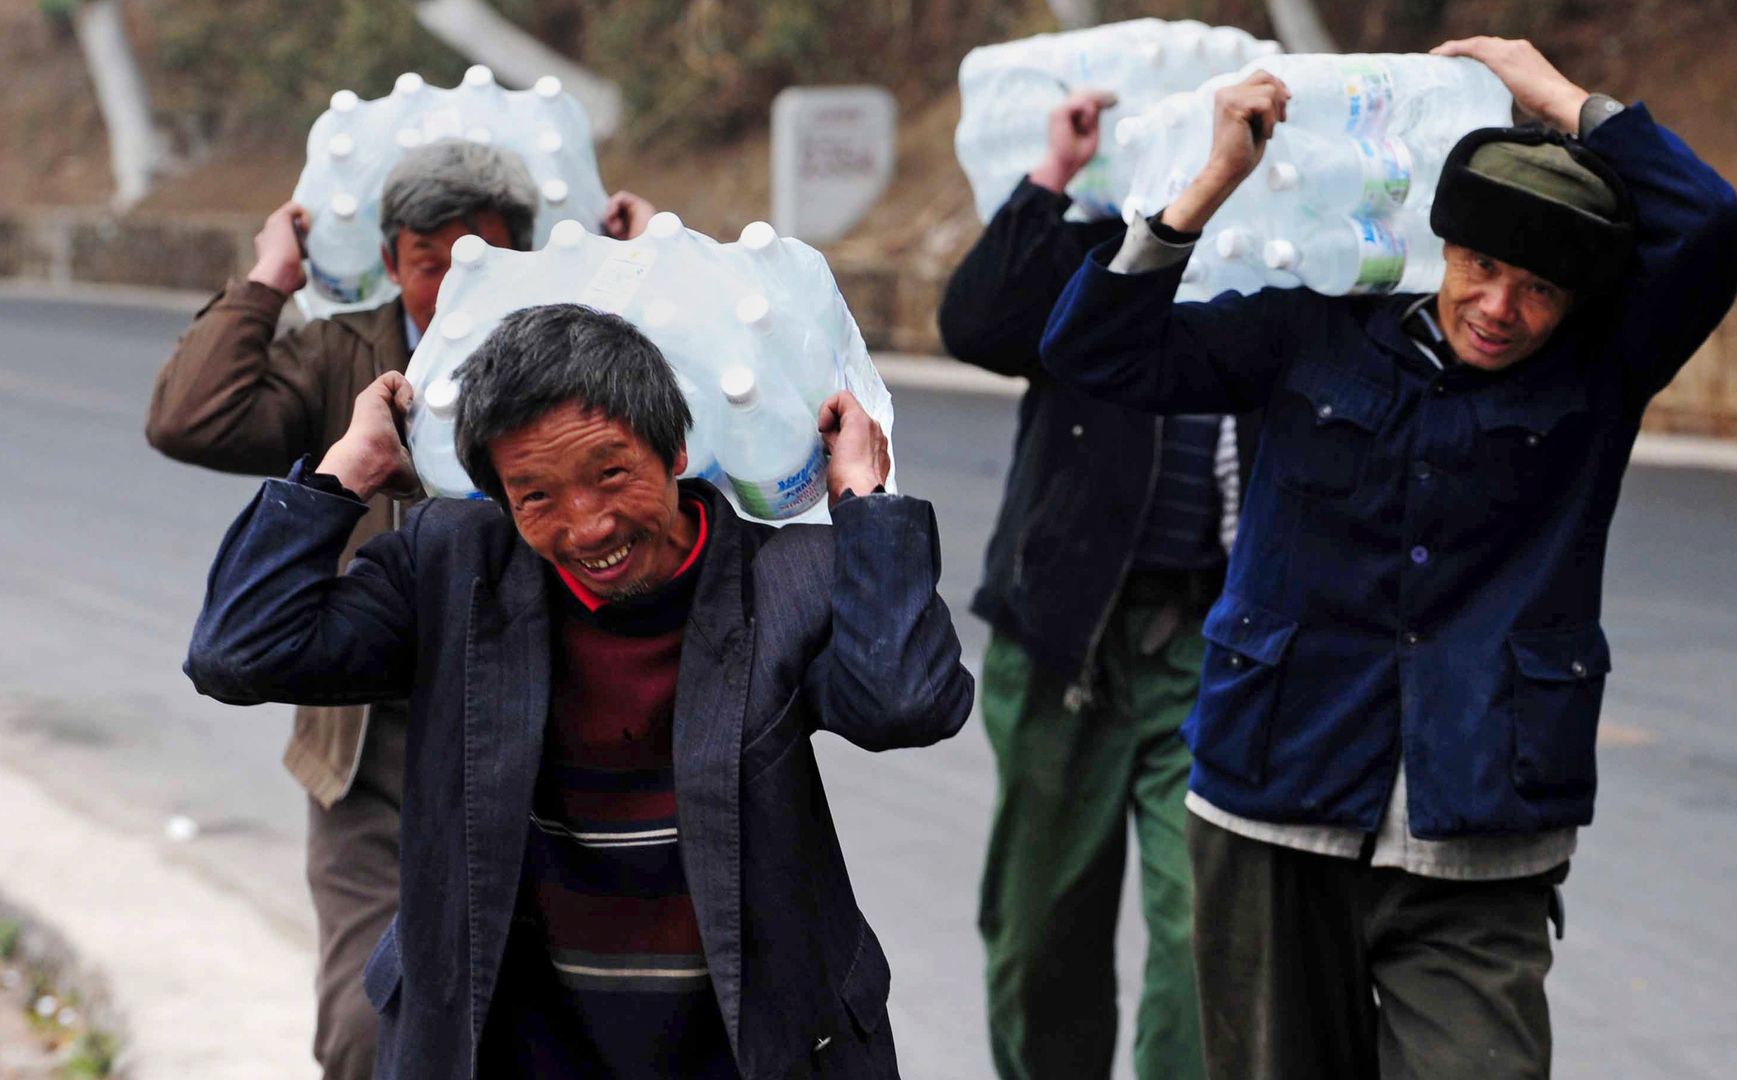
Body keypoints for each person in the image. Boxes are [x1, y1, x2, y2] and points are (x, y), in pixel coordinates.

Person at [1039, 36, 1737, 1080]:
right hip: (1275, 801)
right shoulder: (1314, 328)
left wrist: (1557, 96)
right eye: (1483, 267)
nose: (1501, 308)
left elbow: (1710, 224)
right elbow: (1091, 350)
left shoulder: (1604, 373)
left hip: (1480, 830)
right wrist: (1213, 182)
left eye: (1541, 289)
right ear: (1441, 244)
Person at [181, 303, 973, 1077]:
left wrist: (867, 503)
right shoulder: (453, 571)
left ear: (678, 450)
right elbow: (239, 652)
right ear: (497, 500)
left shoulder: (786, 581)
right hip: (511, 1042)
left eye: (611, 473)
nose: (588, 526)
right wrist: (346, 470)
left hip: (740, 1045)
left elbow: (905, 701)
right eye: (536, 497)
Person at [145, 140, 656, 1079]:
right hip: (370, 752)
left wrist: (648, 269)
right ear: (391, 262)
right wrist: (271, 279)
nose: (453, 282)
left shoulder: (573, 347)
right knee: (362, 1029)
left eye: (482, 257)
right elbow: (192, 418)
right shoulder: (347, 353)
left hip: (540, 735)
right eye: (430, 263)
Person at [939, 89, 1255, 1080]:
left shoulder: (1294, 269)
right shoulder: (1103, 250)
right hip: (1062, 633)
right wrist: (1058, 175)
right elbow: (977, 323)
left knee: (1203, 939)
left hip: (1210, 642)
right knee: (1040, 941)